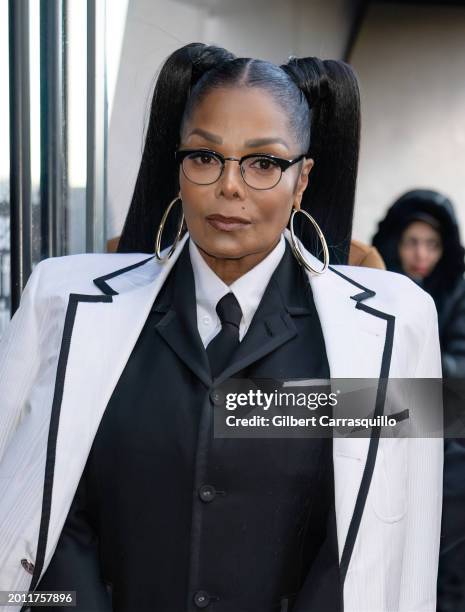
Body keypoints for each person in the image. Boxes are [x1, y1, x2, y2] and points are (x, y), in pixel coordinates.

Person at [0, 43, 442, 612]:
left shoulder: (389, 328)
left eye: (263, 163)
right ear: (178, 166)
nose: (229, 186)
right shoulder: (63, 306)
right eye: (206, 157)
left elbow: (391, 550)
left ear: (301, 180)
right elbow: (32, 539)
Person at [372, 189, 465, 611]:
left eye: (432, 244)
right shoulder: (373, 286)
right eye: (412, 242)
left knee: (446, 573)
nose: (421, 254)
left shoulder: (458, 293)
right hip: (384, 448)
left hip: (449, 455)